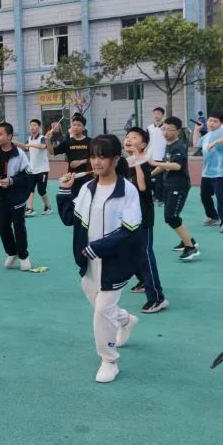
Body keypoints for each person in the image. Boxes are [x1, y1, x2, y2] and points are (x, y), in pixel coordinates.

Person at [57, 135, 142, 383]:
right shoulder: (86, 189)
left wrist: (98, 247)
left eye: (102, 156)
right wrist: (63, 190)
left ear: (116, 158)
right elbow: (68, 219)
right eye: (93, 156)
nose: (96, 161)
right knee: (102, 309)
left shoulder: (128, 191)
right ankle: (126, 320)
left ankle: (109, 360)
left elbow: (130, 230)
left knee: (102, 311)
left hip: (116, 263)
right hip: (88, 263)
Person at [124, 128, 167, 313]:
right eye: (127, 137)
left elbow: (142, 187)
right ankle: (143, 280)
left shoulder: (144, 162)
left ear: (143, 145)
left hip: (143, 215)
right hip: (127, 216)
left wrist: (138, 160)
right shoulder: (126, 162)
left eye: (134, 138)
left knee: (145, 253)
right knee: (127, 251)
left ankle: (157, 298)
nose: (129, 140)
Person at [0, 122, 32, 270]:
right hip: (0, 195)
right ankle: (12, 252)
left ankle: (23, 255)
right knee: (3, 226)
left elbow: (27, 176)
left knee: (18, 227)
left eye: (0, 134)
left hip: (16, 196)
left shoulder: (20, 154)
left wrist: (11, 181)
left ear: (9, 136)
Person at [152, 117, 199, 261]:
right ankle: (188, 240)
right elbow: (165, 164)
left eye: (169, 129)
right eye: (163, 129)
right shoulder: (169, 145)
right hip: (170, 185)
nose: (165, 132)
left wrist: (153, 162)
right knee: (173, 216)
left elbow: (176, 166)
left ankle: (190, 248)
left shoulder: (179, 146)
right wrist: (150, 174)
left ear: (177, 131)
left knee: (171, 217)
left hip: (179, 186)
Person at [193, 111, 223, 233]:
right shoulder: (206, 136)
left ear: (221, 123)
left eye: (215, 121)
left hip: (221, 172)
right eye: (210, 120)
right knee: (204, 195)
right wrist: (196, 130)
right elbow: (196, 144)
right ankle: (213, 216)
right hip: (206, 172)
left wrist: (215, 142)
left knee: (221, 197)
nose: (212, 123)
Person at [49, 114, 92, 199]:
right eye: (74, 125)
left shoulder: (90, 142)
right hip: (72, 178)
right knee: (74, 202)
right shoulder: (67, 142)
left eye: (79, 125)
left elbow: (96, 159)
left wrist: (80, 162)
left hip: (88, 177)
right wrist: (47, 140)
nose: (75, 127)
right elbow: (52, 152)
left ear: (84, 128)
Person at [16, 118, 51, 216]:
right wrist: (14, 143)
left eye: (35, 125)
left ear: (39, 127)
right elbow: (25, 146)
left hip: (43, 169)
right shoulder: (30, 138)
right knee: (30, 189)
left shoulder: (43, 138)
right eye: (31, 125)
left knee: (41, 190)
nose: (32, 127)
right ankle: (30, 209)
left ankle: (48, 206)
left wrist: (31, 144)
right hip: (32, 169)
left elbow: (43, 146)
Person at [147, 107, 167, 203]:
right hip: (151, 157)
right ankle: (155, 195)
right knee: (151, 178)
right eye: (155, 113)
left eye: (158, 113)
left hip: (162, 157)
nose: (156, 115)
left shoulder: (166, 128)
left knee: (161, 179)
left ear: (162, 115)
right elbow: (146, 142)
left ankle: (162, 197)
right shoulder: (149, 128)